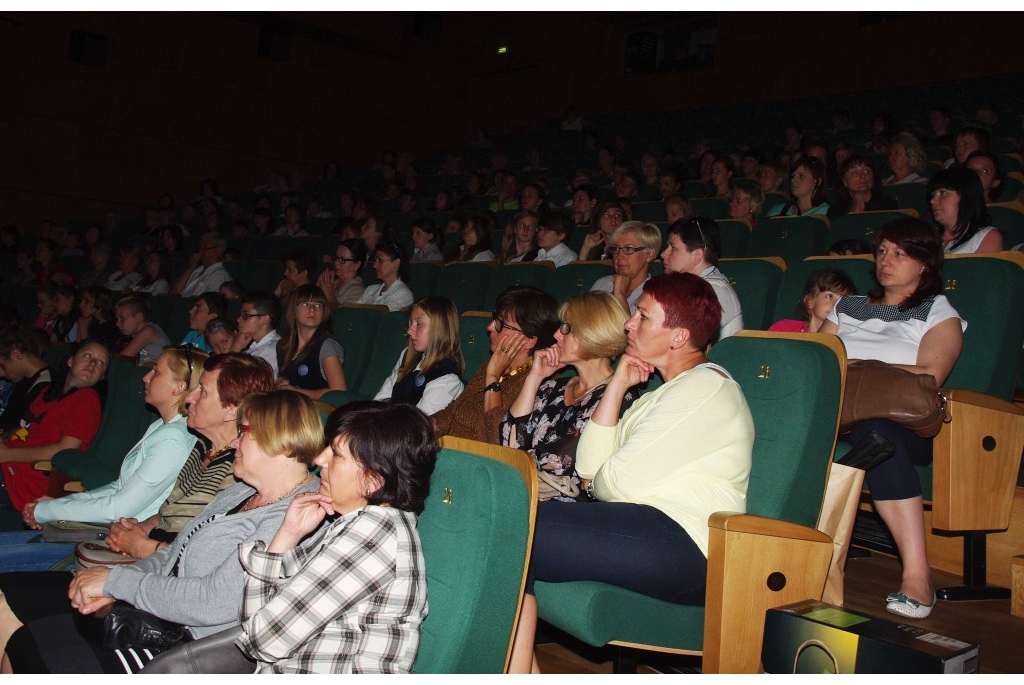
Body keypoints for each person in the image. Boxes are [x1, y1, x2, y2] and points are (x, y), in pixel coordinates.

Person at [509, 272, 754, 673]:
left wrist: (600, 479)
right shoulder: (661, 395)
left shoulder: (705, 388)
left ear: (677, 337)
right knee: (508, 531)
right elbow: (589, 466)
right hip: (650, 531)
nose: (629, 323)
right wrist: (618, 385)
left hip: (690, 545)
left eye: (643, 315)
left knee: (513, 524)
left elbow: (610, 482)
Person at [0, 390, 322, 673]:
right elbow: (174, 552)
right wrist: (114, 586)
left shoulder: (292, 517)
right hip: (157, 611)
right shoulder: (242, 492)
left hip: (190, 650)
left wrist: (116, 580)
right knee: (25, 640)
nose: (234, 441)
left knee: (36, 652)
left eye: (244, 432)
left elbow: (211, 602)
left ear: (277, 437)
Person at [820, 217, 965, 620]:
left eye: (900, 253)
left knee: (877, 434)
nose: (887, 260)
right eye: (882, 250)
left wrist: (860, 366)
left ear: (924, 264)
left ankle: (918, 574)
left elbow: (931, 375)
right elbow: (819, 359)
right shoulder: (847, 306)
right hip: (835, 411)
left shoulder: (935, 309)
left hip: (899, 422)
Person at [229, 400, 435, 673]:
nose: (318, 460)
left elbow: (263, 640)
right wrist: (287, 535)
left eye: (336, 454)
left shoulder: (373, 535)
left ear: (373, 480)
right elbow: (256, 623)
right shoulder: (354, 523)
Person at [0, 346, 206, 573]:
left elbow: (119, 507)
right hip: (102, 530)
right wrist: (56, 505)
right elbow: (118, 487)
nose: (146, 377)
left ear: (179, 387)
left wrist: (46, 511)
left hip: (114, 546)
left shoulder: (174, 438)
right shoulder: (162, 426)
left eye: (156, 372)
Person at [105, 353, 277, 560]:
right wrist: (136, 530)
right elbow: (168, 513)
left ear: (231, 409)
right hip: (155, 556)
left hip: (173, 570)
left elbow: (207, 558)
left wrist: (143, 546)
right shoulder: (203, 445)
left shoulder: (241, 469)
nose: (189, 397)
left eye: (202, 391)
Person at [502, 292, 638, 503]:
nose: (557, 335)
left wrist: (525, 458)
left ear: (592, 333)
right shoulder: (552, 387)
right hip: (523, 496)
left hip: (567, 510)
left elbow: (561, 463)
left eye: (566, 328)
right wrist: (534, 378)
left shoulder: (619, 396)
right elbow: (508, 445)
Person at [433, 286, 559, 445]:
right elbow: (453, 412)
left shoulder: (540, 384)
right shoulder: (494, 363)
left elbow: (498, 442)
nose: (490, 327)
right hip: (450, 451)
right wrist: (417, 427)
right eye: (494, 319)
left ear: (529, 340)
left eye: (500, 324)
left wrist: (492, 379)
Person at [0, 340, 109, 514]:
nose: (93, 364)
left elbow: (65, 450)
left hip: (24, 482)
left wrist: (7, 455)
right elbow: (24, 430)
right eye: (88, 356)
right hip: (9, 466)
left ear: (101, 377)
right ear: (70, 361)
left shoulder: (86, 399)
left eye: (101, 363)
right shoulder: (48, 392)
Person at [375, 296, 464, 415]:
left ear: (439, 329)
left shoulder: (447, 379)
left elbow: (417, 425)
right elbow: (382, 398)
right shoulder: (407, 355)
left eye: (419, 324)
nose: (409, 331)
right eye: (411, 323)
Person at [661, 217, 744, 339]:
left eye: (673, 248)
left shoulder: (714, 292)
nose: (663, 254)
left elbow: (678, 339)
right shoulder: (683, 286)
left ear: (697, 256)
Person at [277, 285, 347, 399]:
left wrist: (297, 392)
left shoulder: (326, 345)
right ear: (293, 311)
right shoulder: (283, 346)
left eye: (318, 305)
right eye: (305, 304)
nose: (312, 309)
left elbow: (339, 392)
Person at [589, 221, 660, 315]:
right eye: (615, 249)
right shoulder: (602, 283)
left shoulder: (654, 295)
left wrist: (619, 295)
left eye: (629, 249)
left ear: (650, 255)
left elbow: (630, 329)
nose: (619, 255)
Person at [928, 167, 1004, 254]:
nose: (932, 200)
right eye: (933, 195)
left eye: (943, 193)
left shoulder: (986, 237)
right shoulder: (927, 239)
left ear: (966, 196)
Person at [769, 268, 857, 333]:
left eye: (843, 300)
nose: (837, 304)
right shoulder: (784, 328)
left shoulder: (848, 336)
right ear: (810, 301)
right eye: (830, 296)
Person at [0, 324, 51, 434]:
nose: (1, 373)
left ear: (17, 356)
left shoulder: (46, 386)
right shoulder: (23, 380)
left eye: (2, 366)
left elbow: (24, 430)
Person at [827, 155, 898, 220]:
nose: (863, 176)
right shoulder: (836, 212)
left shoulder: (886, 206)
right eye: (855, 172)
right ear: (845, 181)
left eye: (867, 171)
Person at [232, 290, 282, 376]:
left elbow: (236, 382)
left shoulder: (272, 351)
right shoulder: (252, 345)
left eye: (245, 315)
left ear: (264, 320)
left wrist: (234, 349)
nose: (238, 320)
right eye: (240, 315)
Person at [357, 241, 414, 311]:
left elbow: (384, 313)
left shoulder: (403, 293)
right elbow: (353, 309)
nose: (374, 265)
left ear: (396, 263)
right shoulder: (370, 289)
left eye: (380, 260)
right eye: (375, 260)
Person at [113, 296, 171, 365]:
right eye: (117, 319)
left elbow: (123, 357)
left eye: (122, 319)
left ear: (139, 318)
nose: (117, 324)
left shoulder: (148, 331)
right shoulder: (133, 335)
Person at [171, 232, 231, 297]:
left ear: (218, 251)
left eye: (204, 248)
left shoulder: (220, 276)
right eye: (200, 248)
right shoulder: (197, 270)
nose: (200, 252)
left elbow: (209, 303)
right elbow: (173, 293)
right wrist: (190, 269)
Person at [765, 157, 829, 217]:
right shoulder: (778, 210)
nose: (793, 180)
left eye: (801, 176)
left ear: (817, 181)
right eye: (793, 176)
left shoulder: (827, 213)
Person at [317, 239, 367, 308]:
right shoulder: (331, 283)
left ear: (357, 265)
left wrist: (330, 297)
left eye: (342, 260)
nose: (336, 263)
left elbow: (345, 315)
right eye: (336, 258)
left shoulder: (357, 291)